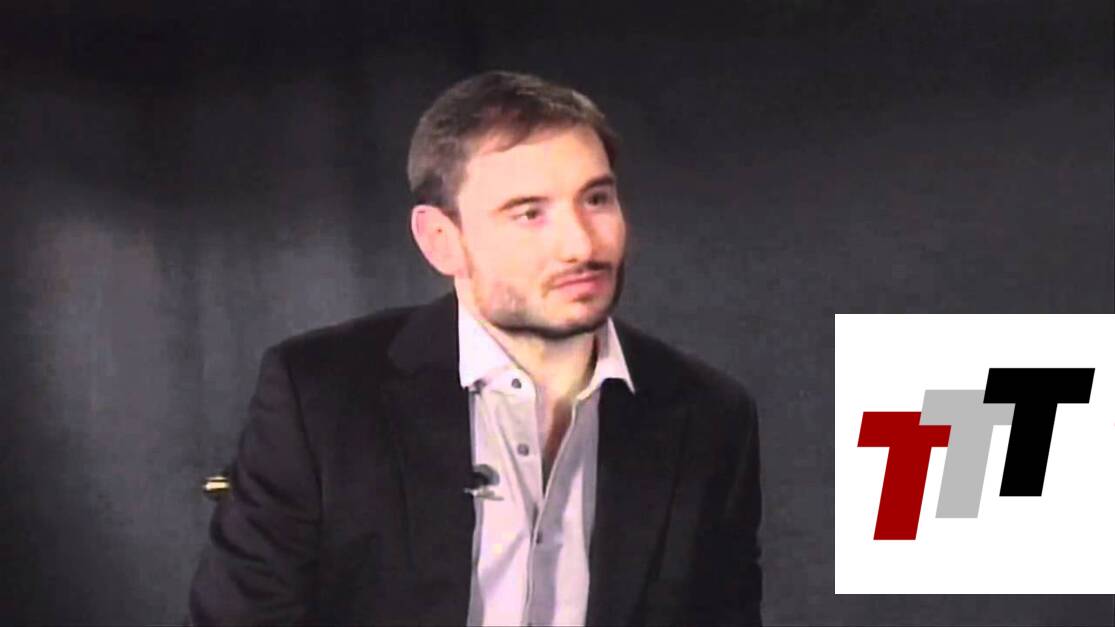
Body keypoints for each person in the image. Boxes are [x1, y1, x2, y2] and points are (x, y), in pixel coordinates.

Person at [188, 70, 762, 626]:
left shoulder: (710, 417)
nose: (581, 245)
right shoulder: (319, 398)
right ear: (442, 240)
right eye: (529, 213)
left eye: (596, 199)